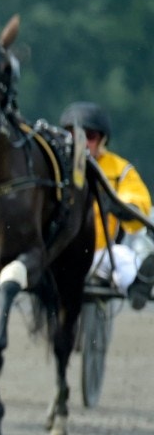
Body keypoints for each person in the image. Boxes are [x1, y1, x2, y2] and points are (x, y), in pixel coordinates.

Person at [60, 101, 154, 309]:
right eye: (76, 136)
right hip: (57, 253)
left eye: (90, 137)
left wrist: (120, 206)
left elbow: (137, 202)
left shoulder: (118, 169)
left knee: (122, 258)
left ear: (102, 140)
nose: (83, 143)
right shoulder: (54, 166)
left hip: (100, 254)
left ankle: (140, 283)